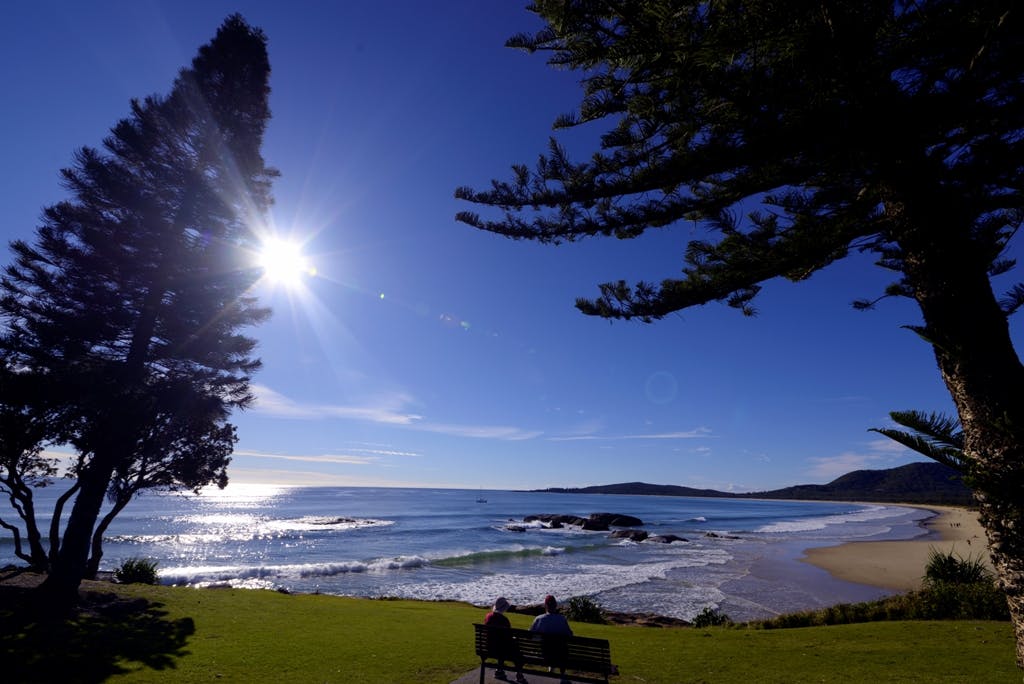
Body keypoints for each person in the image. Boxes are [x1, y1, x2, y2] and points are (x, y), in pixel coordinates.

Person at [530, 595, 572, 683]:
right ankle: (562, 675)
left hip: (544, 654)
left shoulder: (539, 619)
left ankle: (551, 668)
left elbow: (530, 634)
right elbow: (570, 635)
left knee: (549, 645)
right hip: (560, 655)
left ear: (545, 605)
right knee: (562, 648)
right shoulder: (561, 619)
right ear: (556, 605)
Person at [484, 597, 527, 683]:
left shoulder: (488, 617)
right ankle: (519, 674)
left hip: (489, 648)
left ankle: (499, 671)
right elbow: (509, 637)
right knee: (514, 647)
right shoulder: (504, 620)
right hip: (501, 649)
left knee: (502, 644)